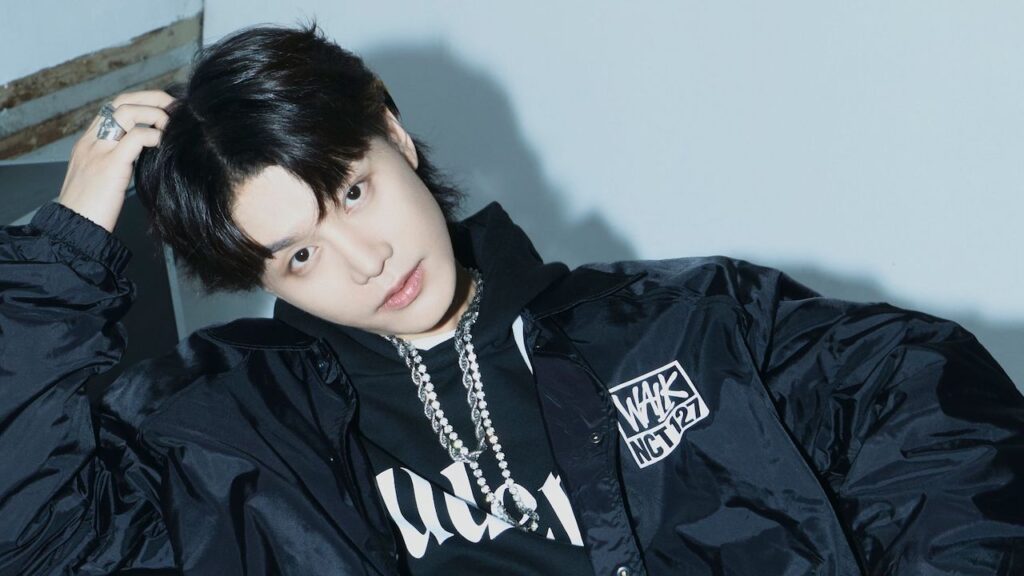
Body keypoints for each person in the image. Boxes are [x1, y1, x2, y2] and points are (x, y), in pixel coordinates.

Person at [1, 20, 1021, 576]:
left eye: (351, 192)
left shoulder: (688, 325)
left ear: (393, 137)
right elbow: (34, 532)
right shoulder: (231, 439)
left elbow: (940, 422)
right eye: (298, 256)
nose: (365, 260)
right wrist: (66, 245)